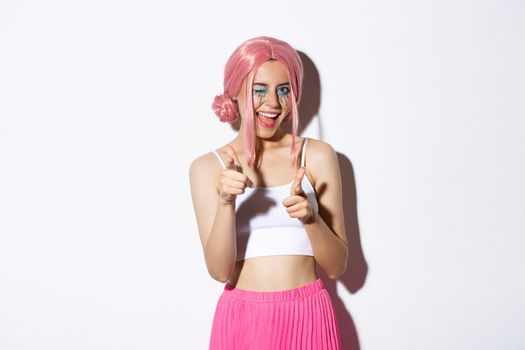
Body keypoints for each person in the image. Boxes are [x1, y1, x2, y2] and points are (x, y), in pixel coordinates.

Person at [189, 36, 348, 350]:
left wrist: (312, 219)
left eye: (284, 89)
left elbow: (337, 266)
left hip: (308, 315)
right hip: (243, 320)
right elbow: (220, 271)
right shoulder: (208, 167)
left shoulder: (316, 156)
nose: (273, 103)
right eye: (258, 90)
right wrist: (225, 203)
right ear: (235, 91)